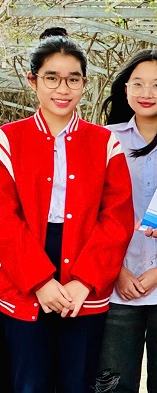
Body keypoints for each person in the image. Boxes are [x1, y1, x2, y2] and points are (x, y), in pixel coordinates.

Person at [0, 34, 134, 392]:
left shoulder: (105, 142)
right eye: (52, 78)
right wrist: (39, 281)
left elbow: (117, 217)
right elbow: (3, 219)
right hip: (23, 270)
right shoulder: (8, 139)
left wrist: (84, 281)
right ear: (33, 80)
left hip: (85, 265)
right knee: (29, 383)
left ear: (84, 83)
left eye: (73, 79)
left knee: (78, 381)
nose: (63, 89)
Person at [97, 50, 157, 392]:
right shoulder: (104, 139)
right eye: (137, 84)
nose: (146, 92)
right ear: (125, 89)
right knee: (112, 385)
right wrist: (117, 271)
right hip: (115, 287)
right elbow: (93, 213)